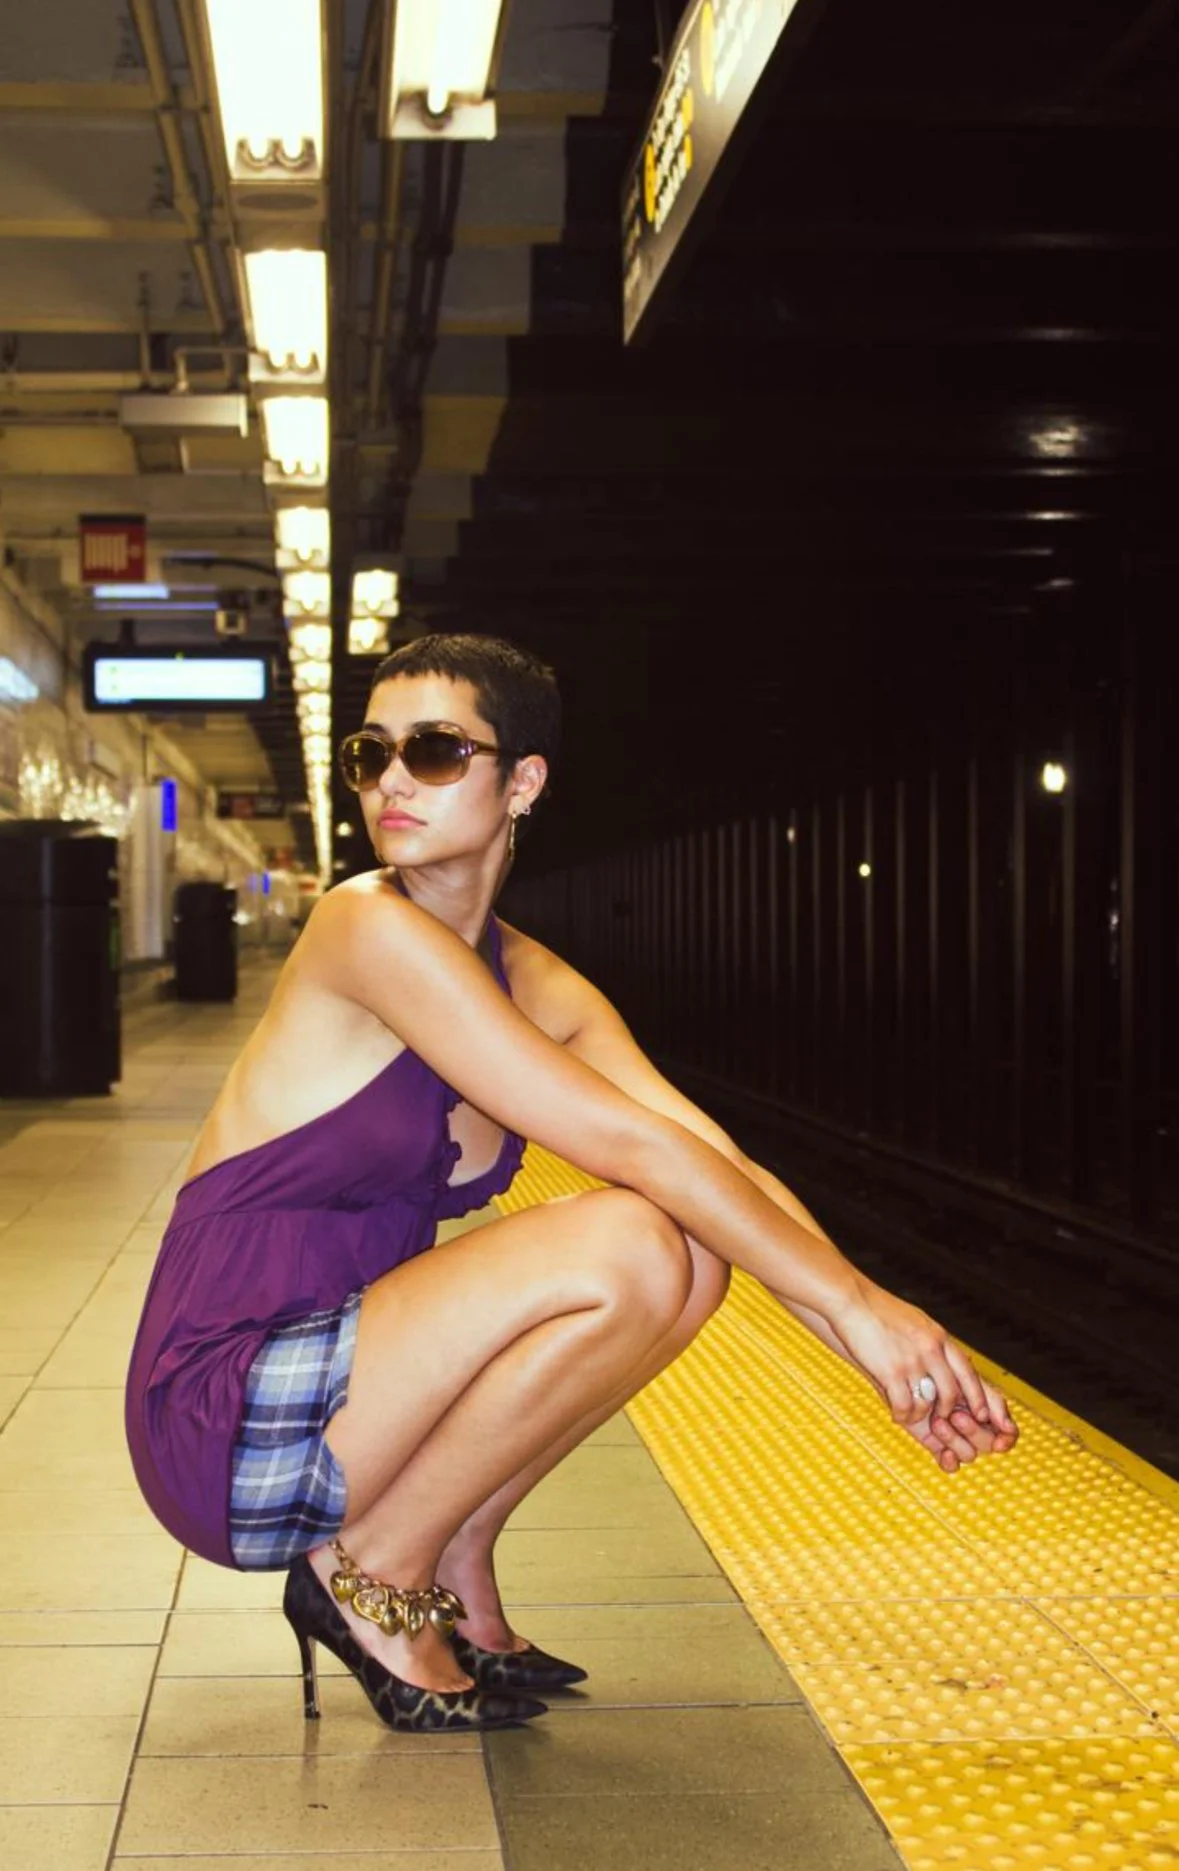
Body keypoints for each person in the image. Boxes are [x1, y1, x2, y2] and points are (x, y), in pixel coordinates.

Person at [125, 632, 1018, 1736]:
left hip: (356, 1382)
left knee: (690, 1249)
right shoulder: (364, 924)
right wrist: (859, 1312)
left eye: (439, 750)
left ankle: (451, 1552)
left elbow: (718, 1163)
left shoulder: (534, 977)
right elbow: (636, 1153)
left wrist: (887, 1338)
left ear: (523, 780)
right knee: (631, 1236)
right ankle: (372, 1569)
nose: (393, 779)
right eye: (373, 752)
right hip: (229, 1399)